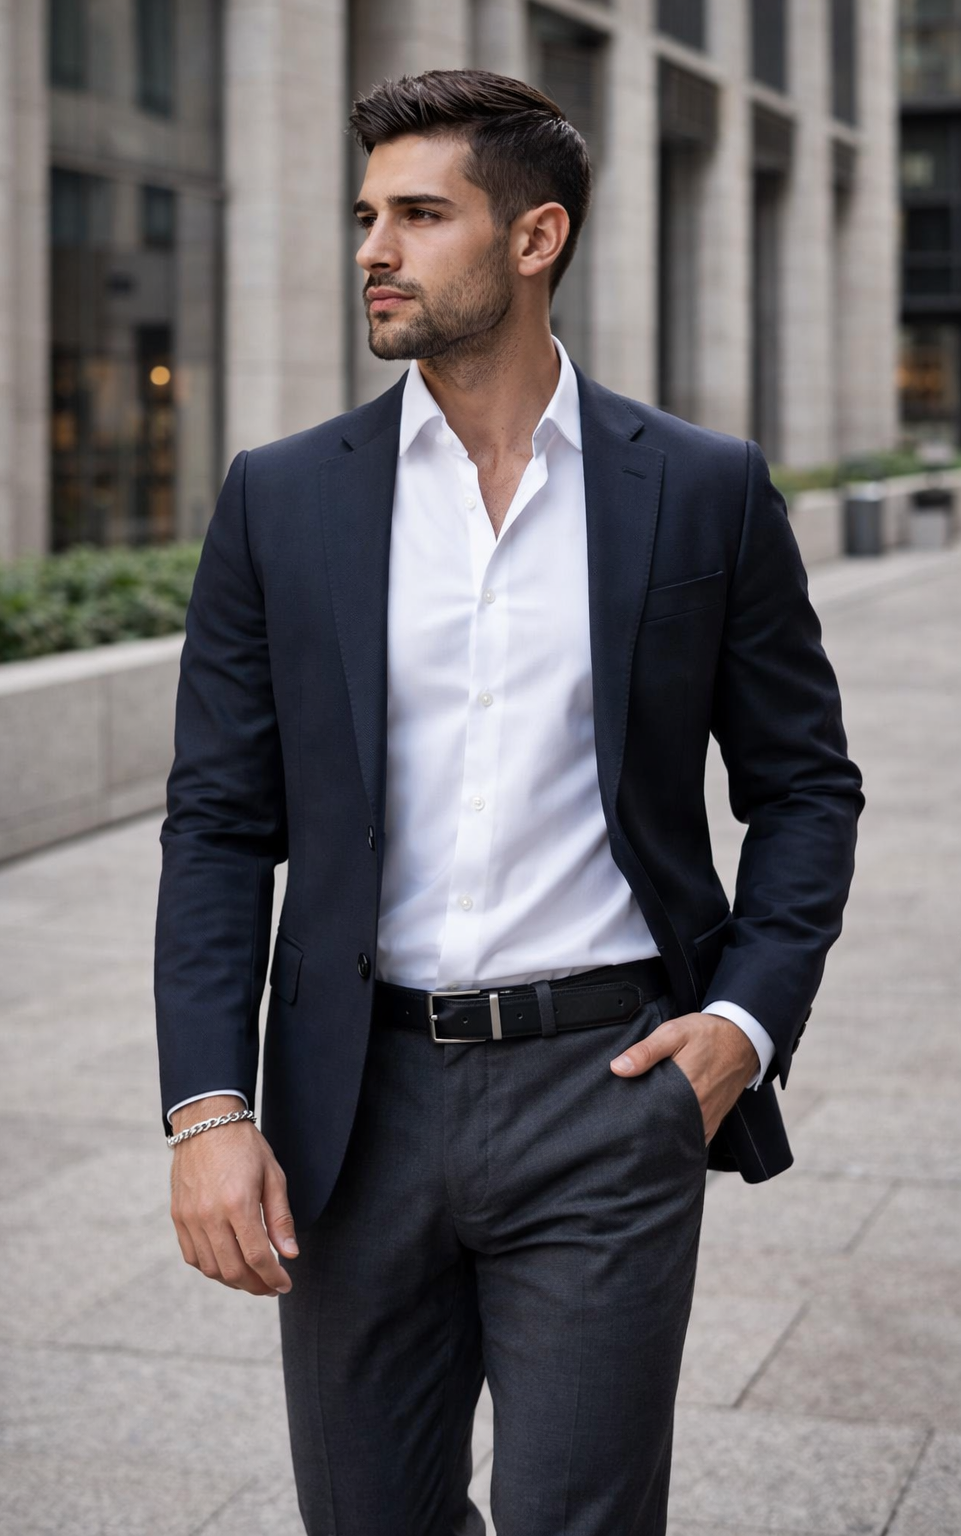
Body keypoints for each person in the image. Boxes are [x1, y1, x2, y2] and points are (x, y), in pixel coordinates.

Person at [155, 69, 863, 1536]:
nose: (375, 248)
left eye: (421, 215)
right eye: (367, 215)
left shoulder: (702, 492)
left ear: (535, 238)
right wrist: (208, 1108)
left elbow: (804, 786)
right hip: (356, 1108)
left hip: (607, 1093)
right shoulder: (282, 500)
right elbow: (221, 822)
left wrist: (743, 1026)